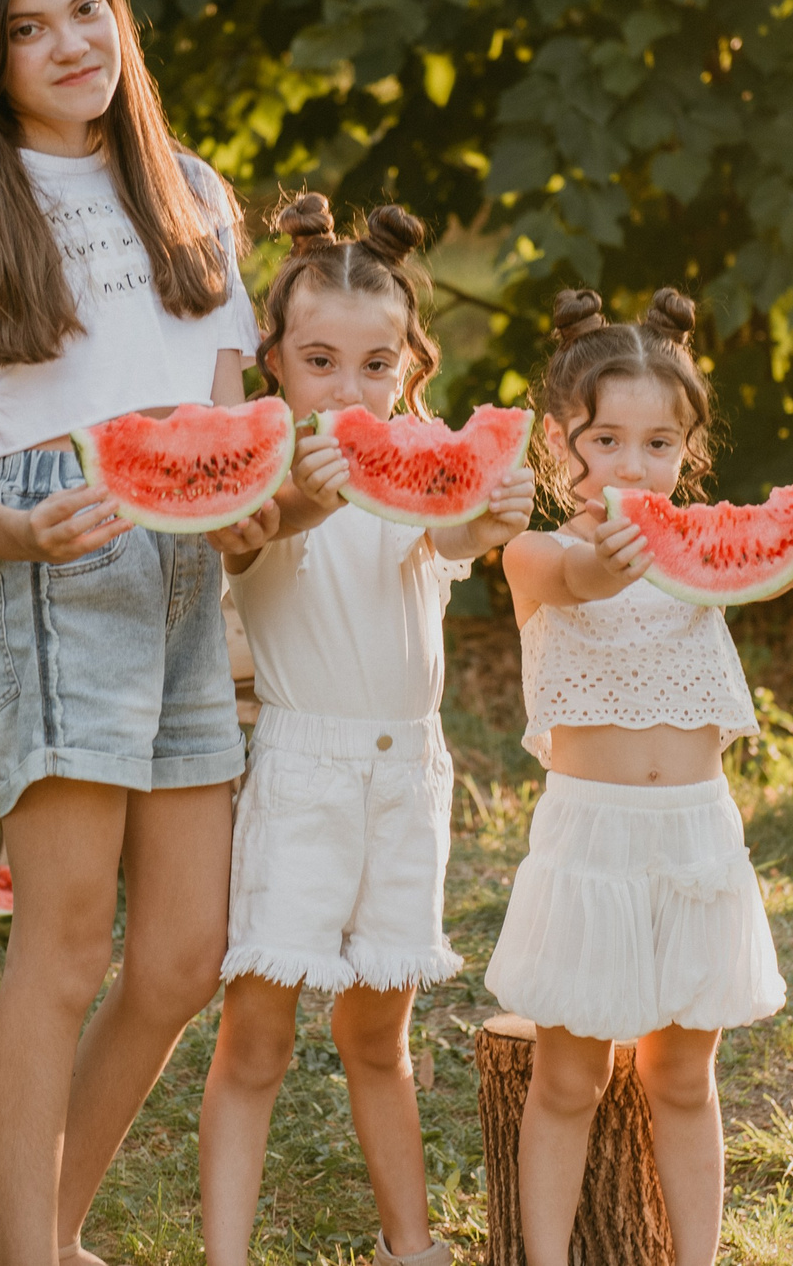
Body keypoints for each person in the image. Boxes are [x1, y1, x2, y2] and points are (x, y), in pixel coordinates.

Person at [0, 0, 265, 1266]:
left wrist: (249, 514)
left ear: (119, 13)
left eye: (86, 9)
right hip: (54, 565)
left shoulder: (194, 192)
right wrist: (24, 534)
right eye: (28, 29)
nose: (70, 44)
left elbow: (229, 426)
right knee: (64, 944)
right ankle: (27, 1258)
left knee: (183, 953)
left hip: (185, 581)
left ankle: (51, 1228)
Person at [197, 195, 533, 1266]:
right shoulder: (260, 473)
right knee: (256, 1041)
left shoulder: (423, 454)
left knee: (380, 1041)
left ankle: (411, 1248)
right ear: (275, 365)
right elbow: (239, 546)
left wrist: (498, 508)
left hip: (408, 783)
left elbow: (459, 529)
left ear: (408, 365)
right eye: (320, 362)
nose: (349, 390)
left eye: (375, 366)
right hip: (302, 776)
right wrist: (309, 494)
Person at [487, 288, 793, 1266]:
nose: (633, 466)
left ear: (689, 451)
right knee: (569, 1080)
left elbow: (747, 560)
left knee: (682, 1077)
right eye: (605, 441)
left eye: (658, 444)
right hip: (589, 842)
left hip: (697, 837)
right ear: (558, 443)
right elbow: (590, 578)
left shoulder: (698, 563)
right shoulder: (536, 555)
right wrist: (622, 553)